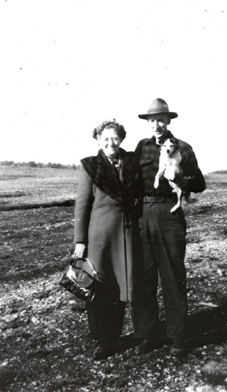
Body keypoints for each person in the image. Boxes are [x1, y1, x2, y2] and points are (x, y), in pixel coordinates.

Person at [132, 98, 206, 356]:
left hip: (169, 214)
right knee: (144, 277)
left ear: (169, 121)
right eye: (152, 120)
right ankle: (148, 334)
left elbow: (199, 185)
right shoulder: (141, 147)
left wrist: (182, 176)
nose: (156, 124)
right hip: (143, 213)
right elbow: (130, 179)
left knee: (173, 276)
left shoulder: (183, 148)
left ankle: (177, 337)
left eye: (161, 119)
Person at [72, 119, 143, 360]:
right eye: (105, 139)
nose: (110, 142)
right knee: (100, 288)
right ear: (98, 141)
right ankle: (105, 340)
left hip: (127, 235)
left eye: (114, 138)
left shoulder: (132, 162)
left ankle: (118, 335)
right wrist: (80, 241)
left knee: (123, 287)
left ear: (121, 139)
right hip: (99, 239)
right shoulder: (90, 166)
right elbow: (82, 205)